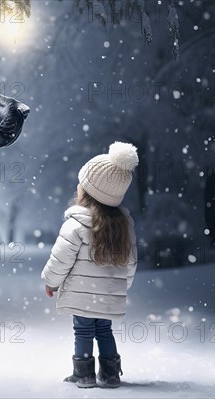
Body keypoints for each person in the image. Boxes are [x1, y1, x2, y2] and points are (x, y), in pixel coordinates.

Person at [41, 142, 138, 389]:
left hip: (82, 296)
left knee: (82, 331)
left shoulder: (76, 223)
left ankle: (83, 374)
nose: (78, 185)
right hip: (107, 297)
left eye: (82, 182)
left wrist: (51, 281)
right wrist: (122, 285)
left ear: (88, 191)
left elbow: (61, 258)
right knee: (104, 331)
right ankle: (111, 373)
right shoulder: (124, 226)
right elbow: (131, 262)